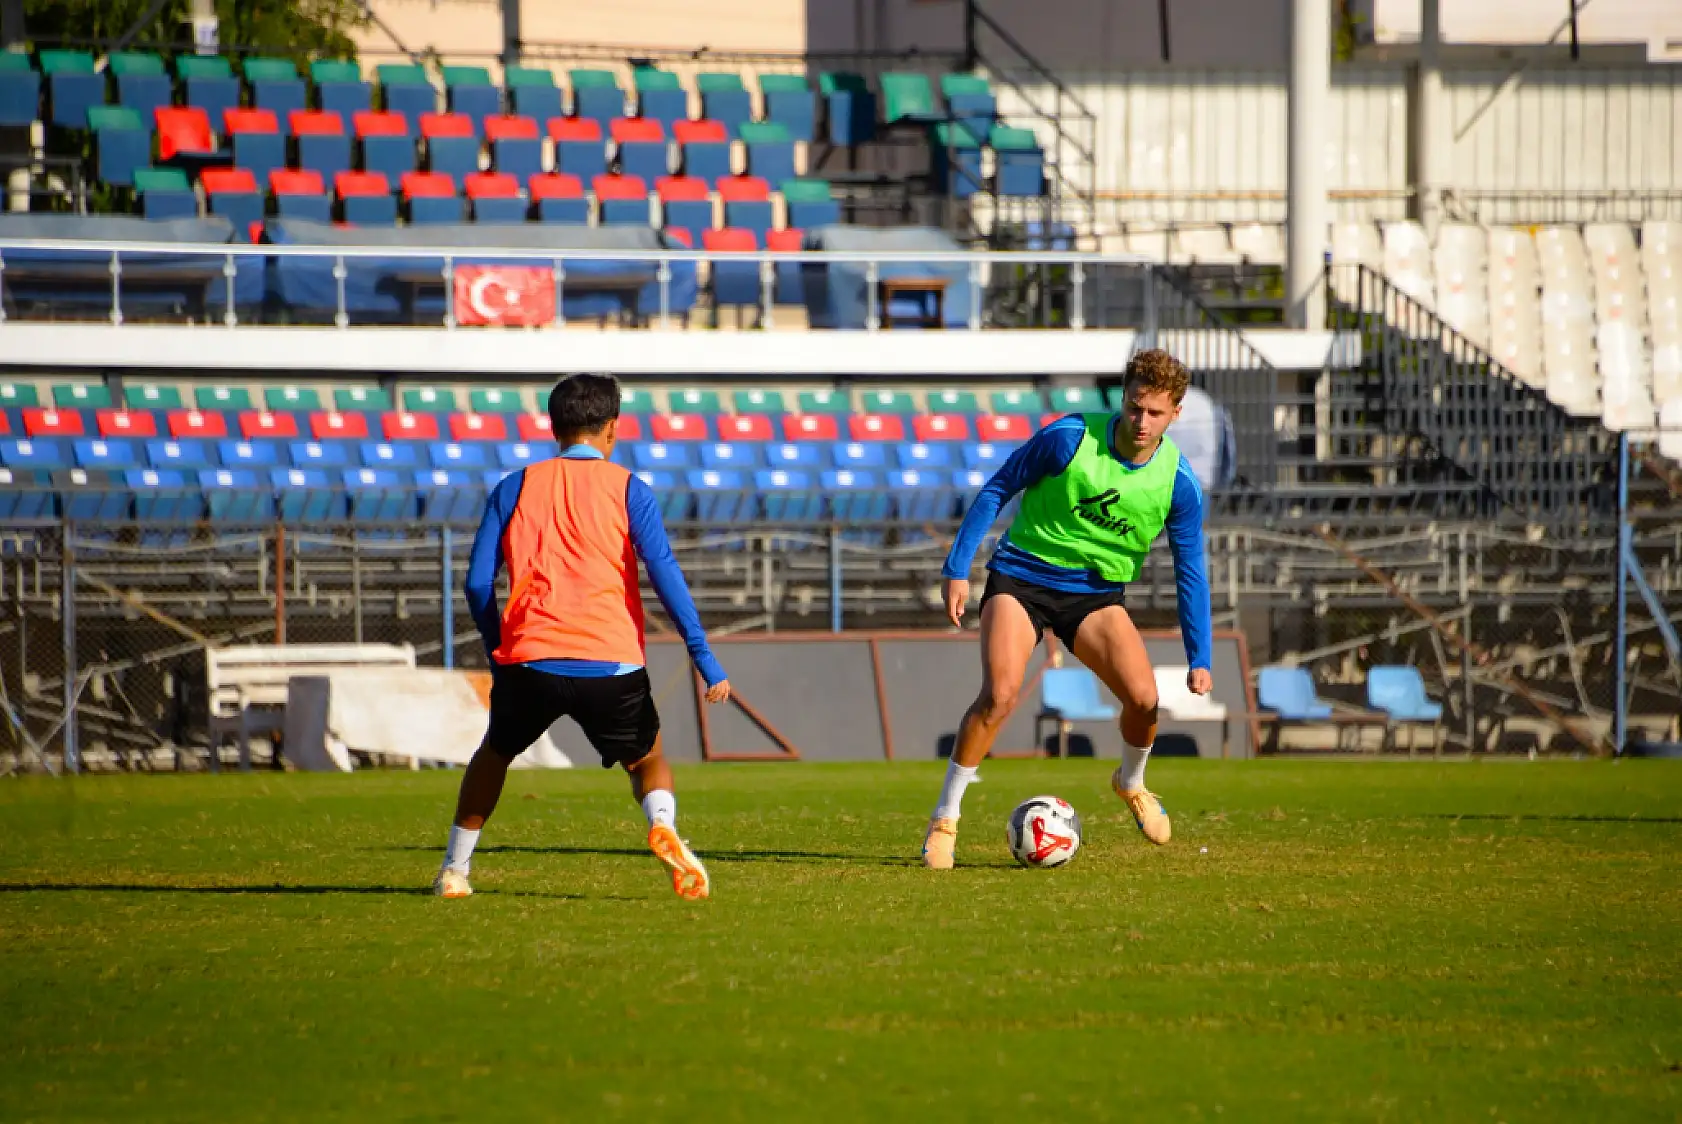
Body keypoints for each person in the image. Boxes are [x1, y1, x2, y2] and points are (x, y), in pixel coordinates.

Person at [434, 374, 731, 900]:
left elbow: (477, 583)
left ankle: (455, 872)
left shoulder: (514, 487)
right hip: (611, 663)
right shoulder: (629, 489)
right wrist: (705, 659)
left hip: (530, 660)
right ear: (612, 428)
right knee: (647, 759)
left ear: (554, 427)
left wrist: (498, 648)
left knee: (495, 754)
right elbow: (665, 576)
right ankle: (663, 825)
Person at [923, 348, 1214, 869]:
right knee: (1000, 695)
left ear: (1176, 413)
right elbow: (999, 487)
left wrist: (1201, 656)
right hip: (1022, 578)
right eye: (1134, 407)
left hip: (1095, 596)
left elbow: (1190, 569)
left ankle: (1131, 782)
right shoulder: (1070, 438)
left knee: (1144, 700)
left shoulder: (1178, 483)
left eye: (1155, 413)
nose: (1141, 421)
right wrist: (957, 567)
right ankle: (945, 818)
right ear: (1122, 399)